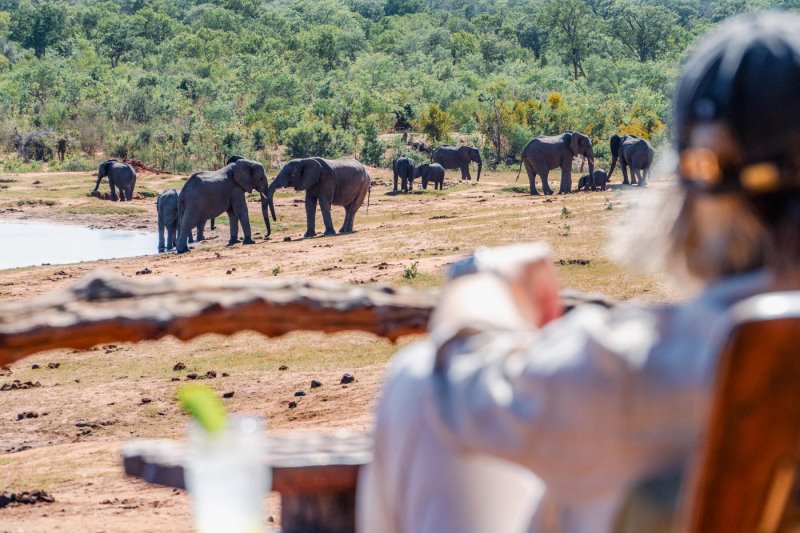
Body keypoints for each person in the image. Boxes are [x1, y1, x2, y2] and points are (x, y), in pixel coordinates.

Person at [357, 12, 800, 533]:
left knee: (416, 381)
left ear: (694, 181)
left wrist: (481, 281)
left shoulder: (634, 366)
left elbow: (458, 390)